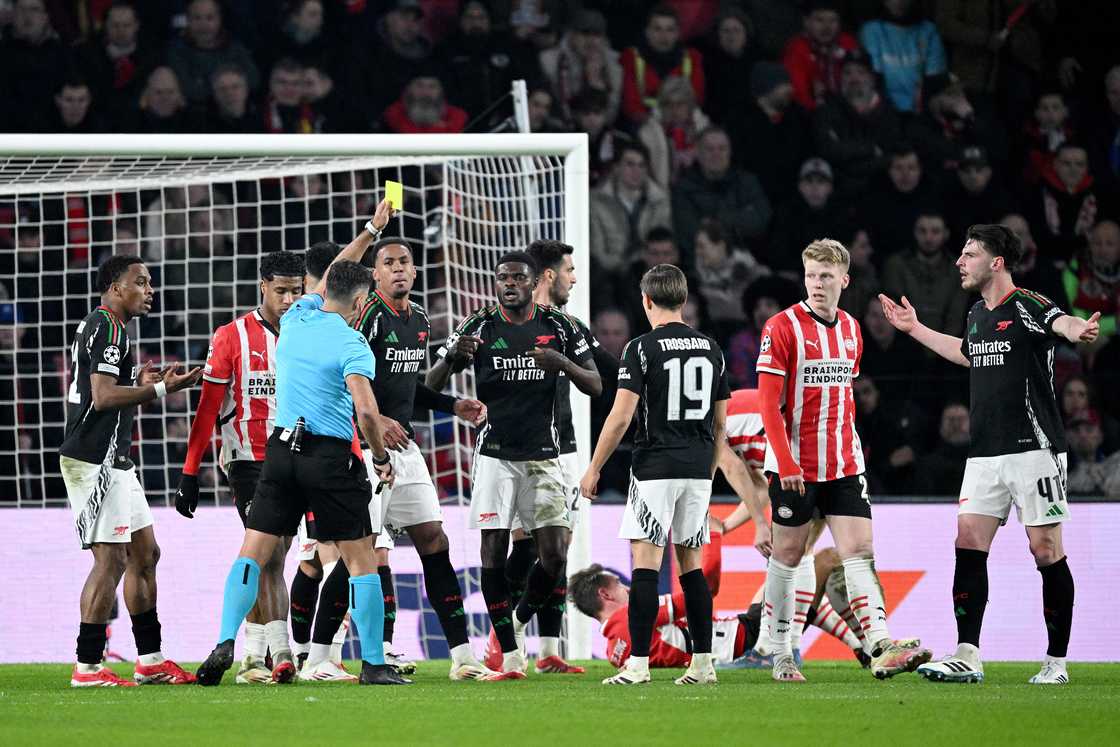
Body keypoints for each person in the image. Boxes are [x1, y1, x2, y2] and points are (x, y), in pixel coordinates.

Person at [195, 199, 408, 687]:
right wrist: (378, 457)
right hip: (329, 458)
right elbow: (368, 412)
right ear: (361, 304)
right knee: (361, 559)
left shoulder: (295, 318)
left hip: (278, 454)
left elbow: (336, 271)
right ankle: (374, 663)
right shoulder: (353, 343)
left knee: (252, 551)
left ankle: (226, 639)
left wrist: (371, 231)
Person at [879, 223, 1101, 685]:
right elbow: (968, 353)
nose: (959, 262)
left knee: (1045, 549)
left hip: (1035, 450)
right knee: (967, 544)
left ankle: (1056, 663)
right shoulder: (978, 312)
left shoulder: (1029, 305)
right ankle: (967, 654)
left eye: (969, 254)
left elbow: (1061, 322)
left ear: (996, 262)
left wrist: (1077, 327)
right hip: (984, 455)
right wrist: (915, 328)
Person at [757, 239, 931, 683]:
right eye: (812, 276)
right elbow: (767, 406)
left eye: (826, 277)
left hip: (845, 462)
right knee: (789, 555)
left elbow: (843, 395)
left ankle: (879, 644)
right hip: (795, 467)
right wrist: (785, 461)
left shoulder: (853, 329)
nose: (817, 284)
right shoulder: (781, 328)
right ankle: (778, 652)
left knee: (860, 552)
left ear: (844, 281)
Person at [328, 235, 497, 682]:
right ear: (374, 273)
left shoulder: (419, 318)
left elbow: (407, 386)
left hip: (405, 450)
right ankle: (333, 655)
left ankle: (462, 656)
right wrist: (376, 420)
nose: (399, 268)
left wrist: (452, 405)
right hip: (362, 449)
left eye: (406, 261)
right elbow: (338, 380)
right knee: (362, 552)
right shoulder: (364, 316)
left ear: (415, 271)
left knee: (434, 540)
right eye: (389, 262)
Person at [427, 250, 601, 679]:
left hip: (545, 456)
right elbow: (428, 388)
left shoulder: (561, 326)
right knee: (492, 553)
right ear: (496, 282)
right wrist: (452, 358)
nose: (509, 284)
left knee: (555, 555)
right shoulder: (477, 325)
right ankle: (509, 655)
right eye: (503, 277)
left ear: (532, 282)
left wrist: (561, 363)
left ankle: (520, 622)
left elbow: (597, 385)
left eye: (518, 278)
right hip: (494, 458)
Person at [580, 263, 731, 686]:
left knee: (646, 566)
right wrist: (709, 468)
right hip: (698, 469)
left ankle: (638, 665)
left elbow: (621, 416)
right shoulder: (711, 348)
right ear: (683, 301)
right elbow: (722, 424)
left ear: (647, 301)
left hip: (655, 468)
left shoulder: (641, 348)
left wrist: (594, 468)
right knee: (691, 568)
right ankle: (703, 666)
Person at [61, 255, 202, 686]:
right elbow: (102, 399)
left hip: (116, 459)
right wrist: (160, 388)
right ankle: (88, 666)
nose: (149, 290)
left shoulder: (108, 327)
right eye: (139, 282)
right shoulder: (107, 326)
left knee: (145, 554)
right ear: (115, 288)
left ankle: (151, 661)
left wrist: (138, 378)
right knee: (112, 560)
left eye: (151, 282)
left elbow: (99, 386)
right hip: (96, 458)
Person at [485, 240, 620, 675]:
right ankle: (505, 633)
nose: (574, 278)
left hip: (562, 449)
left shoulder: (566, 326)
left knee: (554, 549)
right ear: (547, 275)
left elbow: (610, 372)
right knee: (530, 550)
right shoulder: (505, 325)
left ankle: (545, 649)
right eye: (569, 270)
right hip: (519, 453)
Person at [174, 251, 305, 684]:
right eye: (281, 290)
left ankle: (252, 655)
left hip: (297, 457)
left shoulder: (308, 331)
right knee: (265, 554)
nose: (288, 299)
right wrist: (190, 471)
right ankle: (280, 653)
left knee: (278, 554)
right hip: (248, 460)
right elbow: (208, 409)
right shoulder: (232, 336)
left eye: (296, 291)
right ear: (263, 286)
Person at [620, 4, 704, 126]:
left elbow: (696, 100)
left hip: (683, 126)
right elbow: (631, 107)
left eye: (670, 30)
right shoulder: (631, 58)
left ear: (677, 33)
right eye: (657, 29)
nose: (664, 36)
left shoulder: (692, 58)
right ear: (647, 32)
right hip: (644, 127)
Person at [782, 0, 858, 112]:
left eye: (833, 20)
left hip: (852, 111)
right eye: (820, 20)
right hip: (813, 116)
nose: (827, 27)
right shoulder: (796, 49)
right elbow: (799, 97)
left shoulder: (847, 43)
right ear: (806, 22)